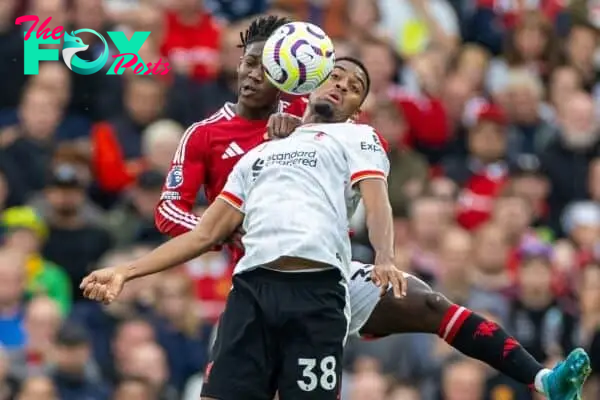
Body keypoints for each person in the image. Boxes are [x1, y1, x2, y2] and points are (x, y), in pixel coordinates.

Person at [152, 15, 591, 400]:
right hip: (260, 286)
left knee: (427, 303)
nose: (254, 73)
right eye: (249, 62)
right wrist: (224, 230)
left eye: (265, 64)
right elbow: (169, 211)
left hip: (328, 275)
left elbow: (364, 171)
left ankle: (543, 380)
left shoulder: (317, 123)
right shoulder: (208, 136)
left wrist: (384, 256)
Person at [80, 57, 405, 400]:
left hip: (317, 290)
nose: (342, 85)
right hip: (252, 291)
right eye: (335, 76)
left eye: (354, 88)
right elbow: (206, 233)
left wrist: (384, 256)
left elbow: (377, 202)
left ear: (356, 110)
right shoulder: (257, 155)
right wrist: (126, 271)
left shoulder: (358, 137)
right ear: (309, 86)